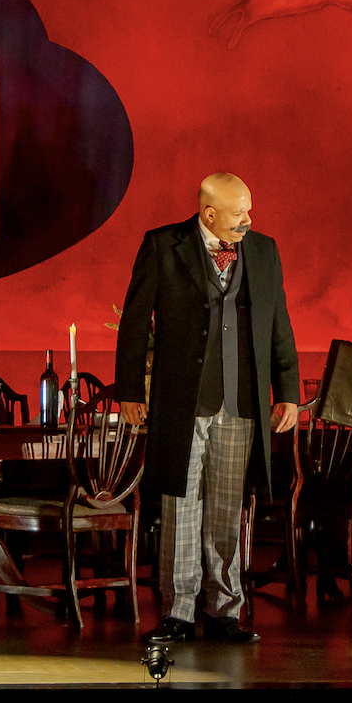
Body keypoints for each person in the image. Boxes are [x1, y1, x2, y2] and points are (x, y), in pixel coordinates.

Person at [118, 173, 303, 645]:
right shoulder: (163, 245)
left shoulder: (263, 250)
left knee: (226, 507)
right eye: (239, 212)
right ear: (209, 214)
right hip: (182, 401)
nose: (248, 219)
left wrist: (287, 390)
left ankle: (224, 610)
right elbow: (135, 320)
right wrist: (130, 392)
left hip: (240, 402)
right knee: (180, 506)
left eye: (249, 209)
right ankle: (178, 612)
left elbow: (278, 321)